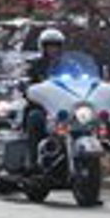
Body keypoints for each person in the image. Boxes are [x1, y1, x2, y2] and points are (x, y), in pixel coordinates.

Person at [25, 27, 67, 164]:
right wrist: (29, 86)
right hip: (42, 107)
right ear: (43, 47)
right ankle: (34, 161)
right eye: (49, 46)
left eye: (56, 46)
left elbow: (79, 80)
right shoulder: (35, 65)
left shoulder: (69, 64)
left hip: (64, 106)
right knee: (35, 118)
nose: (53, 50)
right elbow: (27, 83)